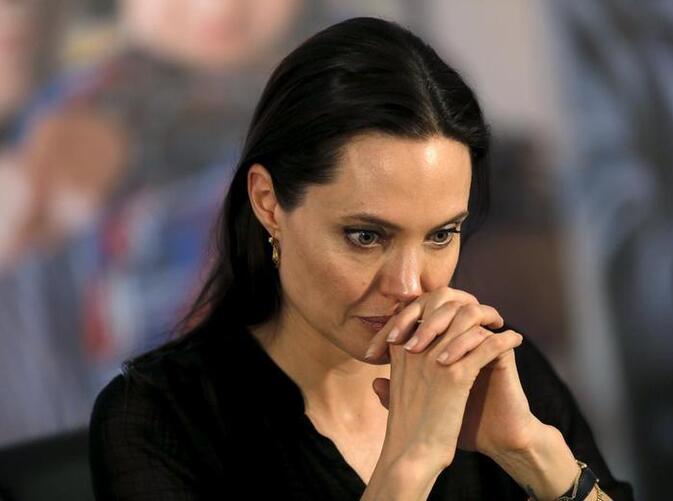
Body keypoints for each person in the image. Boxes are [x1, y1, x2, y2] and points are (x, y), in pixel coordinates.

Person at [89, 17, 633, 500]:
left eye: (441, 235)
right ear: (268, 203)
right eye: (366, 237)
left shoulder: (496, 370)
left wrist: (534, 454)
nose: (410, 285)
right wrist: (412, 461)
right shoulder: (159, 420)